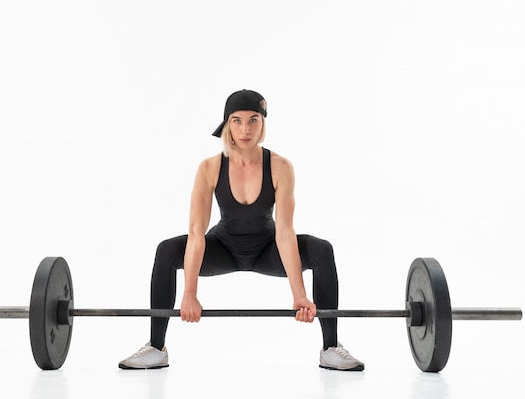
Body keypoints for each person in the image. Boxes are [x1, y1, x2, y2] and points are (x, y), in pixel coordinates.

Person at [119, 89, 364, 371]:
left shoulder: (281, 166)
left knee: (322, 249)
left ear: (263, 123)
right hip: (222, 249)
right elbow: (196, 233)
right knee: (167, 250)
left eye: (253, 120)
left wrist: (299, 295)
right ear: (227, 124)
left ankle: (330, 348)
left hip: (268, 250)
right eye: (237, 121)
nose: (245, 129)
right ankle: (156, 347)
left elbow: (285, 233)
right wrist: (189, 292)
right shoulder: (210, 167)